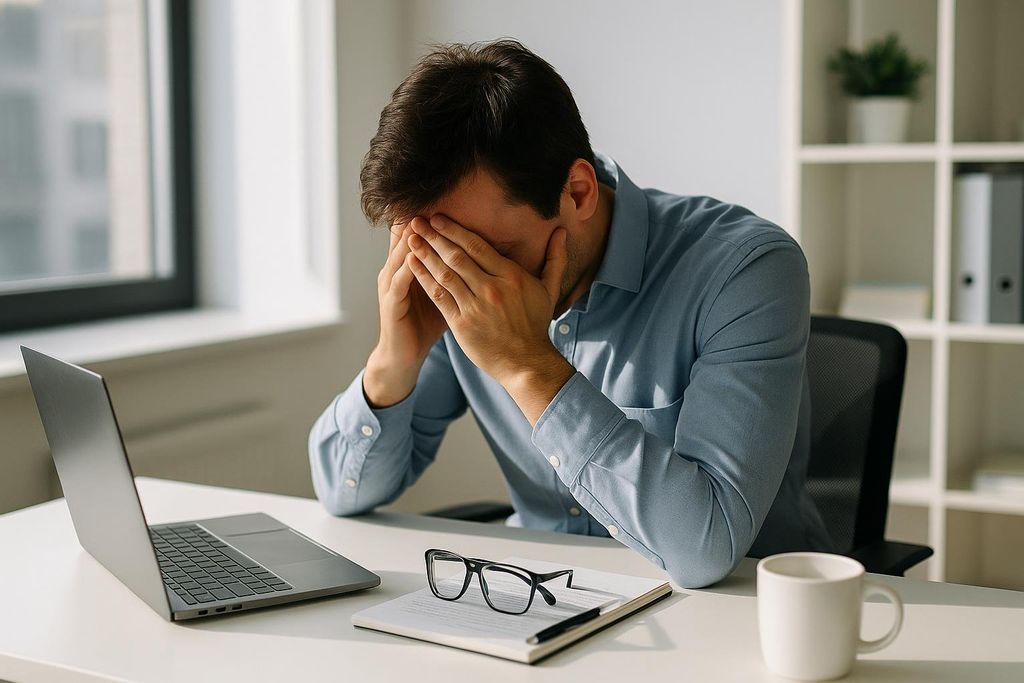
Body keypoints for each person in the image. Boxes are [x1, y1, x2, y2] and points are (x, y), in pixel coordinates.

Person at [309, 39, 831, 588]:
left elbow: (703, 549)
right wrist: (393, 361)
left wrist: (529, 368)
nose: (469, 282)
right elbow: (342, 494)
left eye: (493, 255)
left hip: (738, 617)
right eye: (441, 255)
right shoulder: (450, 284)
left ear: (577, 192)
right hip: (539, 599)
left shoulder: (745, 270)